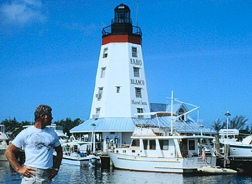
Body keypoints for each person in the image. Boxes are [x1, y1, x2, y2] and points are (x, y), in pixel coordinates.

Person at [5, 104, 63, 183]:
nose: (52, 118)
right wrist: (19, 169)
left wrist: (56, 168)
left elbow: (59, 151)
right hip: (31, 175)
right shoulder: (26, 133)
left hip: (47, 176)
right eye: (50, 115)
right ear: (42, 116)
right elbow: (9, 152)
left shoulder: (52, 133)